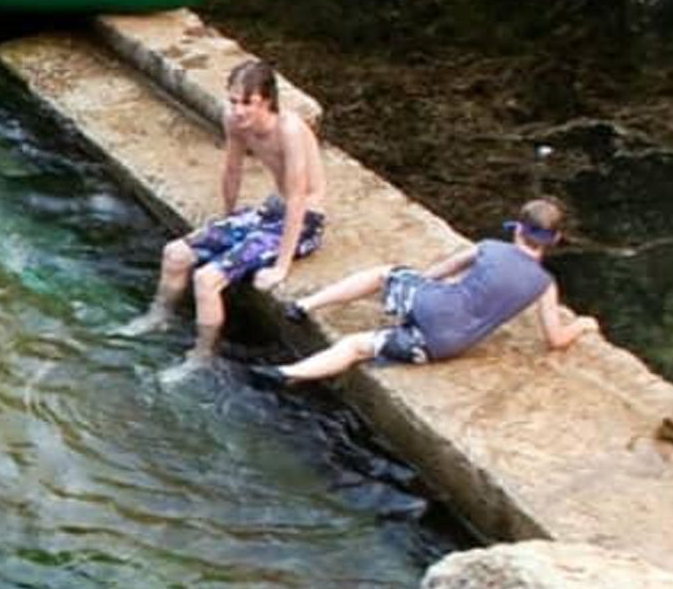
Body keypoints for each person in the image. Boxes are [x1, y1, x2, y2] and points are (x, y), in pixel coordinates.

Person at [259, 197, 598, 384]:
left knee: (385, 274)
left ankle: (304, 306)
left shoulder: (489, 247)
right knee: (358, 346)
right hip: (444, 345)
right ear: (552, 240)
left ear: (518, 231)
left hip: (430, 304)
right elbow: (555, 339)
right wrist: (582, 324)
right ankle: (286, 375)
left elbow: (444, 268)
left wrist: (421, 281)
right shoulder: (544, 285)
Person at [118, 60, 327, 359]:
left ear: (266, 100)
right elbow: (232, 169)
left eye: (247, 103)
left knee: (207, 279)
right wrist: (228, 217)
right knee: (175, 253)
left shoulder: (290, 129)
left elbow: (297, 198)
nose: (238, 110)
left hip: (305, 221)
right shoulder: (235, 121)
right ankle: (158, 317)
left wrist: (281, 266)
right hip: (268, 212)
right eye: (233, 101)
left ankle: (201, 356)